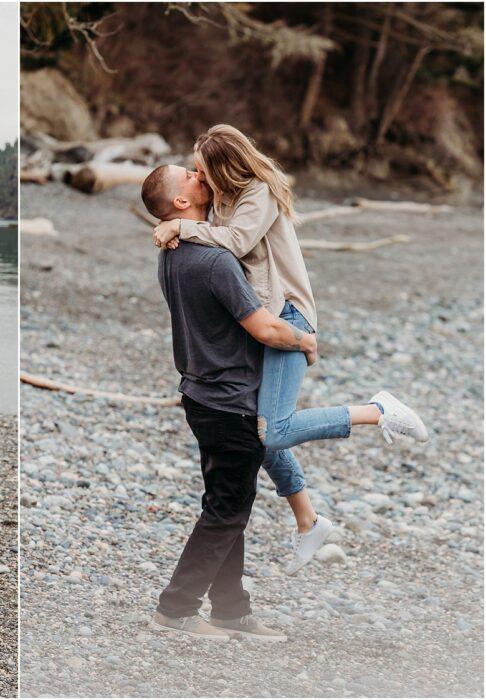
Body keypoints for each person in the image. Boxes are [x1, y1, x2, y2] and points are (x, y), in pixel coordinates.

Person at [148, 127, 428, 574]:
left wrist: (180, 225)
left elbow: (235, 243)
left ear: (223, 167)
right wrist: (178, 227)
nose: (198, 175)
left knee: (273, 432)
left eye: (201, 168)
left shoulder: (258, 193)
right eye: (193, 172)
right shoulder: (222, 200)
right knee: (258, 427)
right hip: (264, 314)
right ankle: (308, 521)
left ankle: (376, 410)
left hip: (288, 315)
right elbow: (217, 245)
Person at [148, 166, 315, 640]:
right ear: (182, 203)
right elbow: (263, 327)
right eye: (190, 175)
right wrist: (304, 341)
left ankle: (230, 609)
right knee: (227, 509)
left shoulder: (172, 252)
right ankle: (175, 610)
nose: (199, 175)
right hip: (231, 399)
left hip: (202, 395)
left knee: (227, 504)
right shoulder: (215, 260)